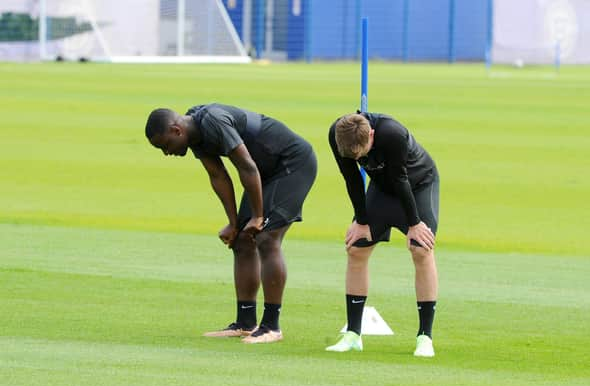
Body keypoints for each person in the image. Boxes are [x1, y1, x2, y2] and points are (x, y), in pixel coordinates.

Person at [144, 103, 317, 344]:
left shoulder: (213, 121)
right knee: (242, 241)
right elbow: (218, 175)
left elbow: (246, 166)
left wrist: (257, 217)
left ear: (176, 130)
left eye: (165, 146)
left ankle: (271, 327)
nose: (166, 153)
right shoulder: (193, 133)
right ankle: (246, 323)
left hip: (292, 164)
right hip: (262, 171)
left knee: (266, 238)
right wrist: (234, 224)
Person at [325, 112, 440, 357]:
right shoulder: (338, 135)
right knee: (356, 247)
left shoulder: (392, 134)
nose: (361, 159)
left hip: (418, 184)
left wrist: (414, 223)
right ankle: (353, 334)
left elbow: (400, 178)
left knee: (421, 248)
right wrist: (362, 221)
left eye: (363, 153)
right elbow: (351, 177)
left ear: (372, 136)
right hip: (382, 188)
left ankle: (424, 337)